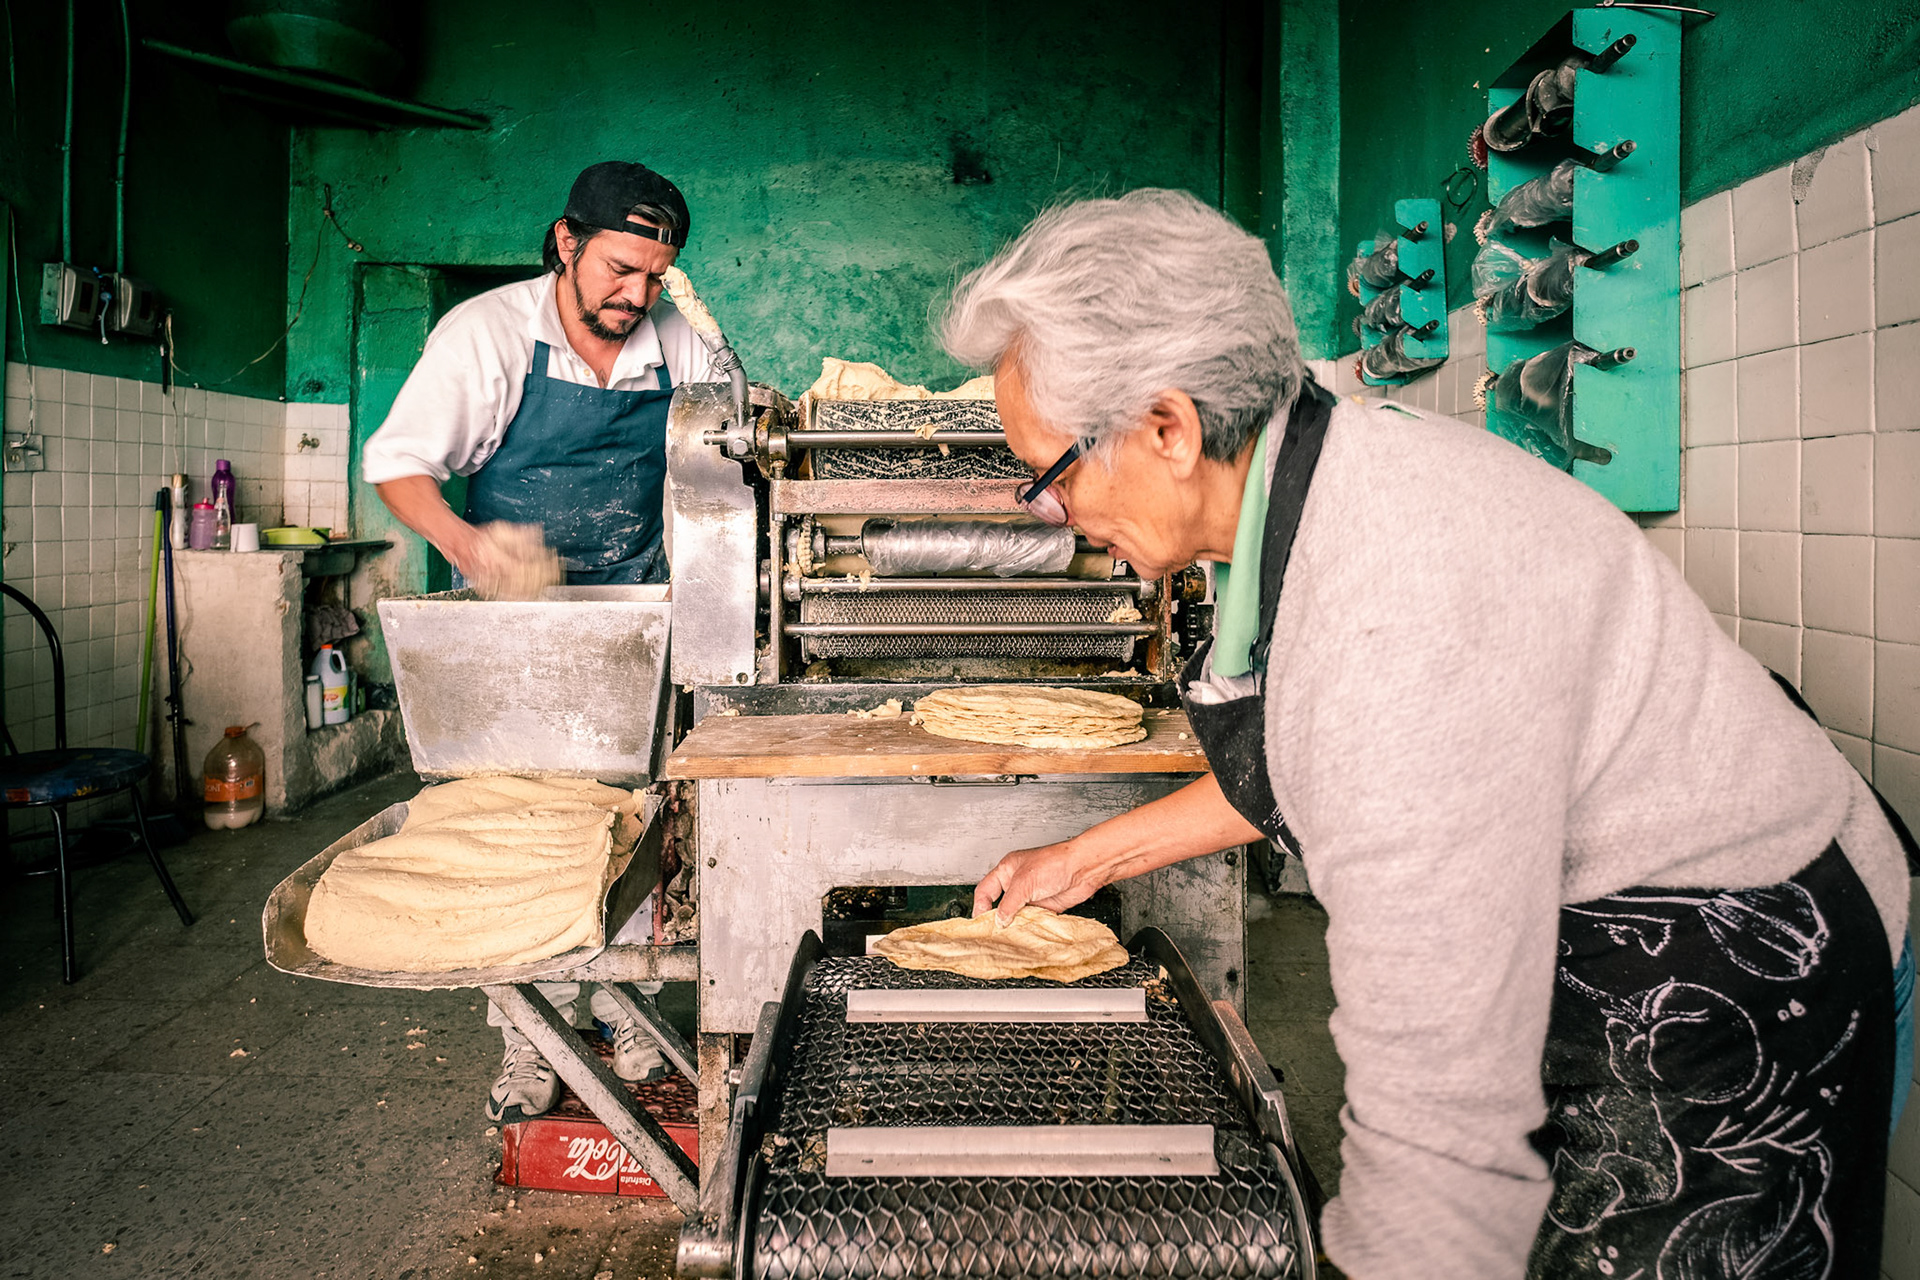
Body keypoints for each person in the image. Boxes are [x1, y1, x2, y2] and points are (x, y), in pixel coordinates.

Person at [947, 190, 1913, 1279]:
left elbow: (1439, 1142)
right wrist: (1091, 855)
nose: (1056, 514)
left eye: (1052, 475)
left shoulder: (1394, 600)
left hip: (1738, 956)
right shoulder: (1301, 483)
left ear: (1168, 428)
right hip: (1602, 915)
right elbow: (1330, 765)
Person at [362, 160, 717, 1123]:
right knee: (522, 831)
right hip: (515, 631)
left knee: (638, 825)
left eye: (652, 277)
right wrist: (466, 542)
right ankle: (531, 1037)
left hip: (637, 624)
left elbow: (727, 445)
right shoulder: (486, 334)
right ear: (566, 242)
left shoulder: (678, 341)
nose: (633, 296)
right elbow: (397, 465)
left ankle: (629, 1007)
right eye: (615, 270)